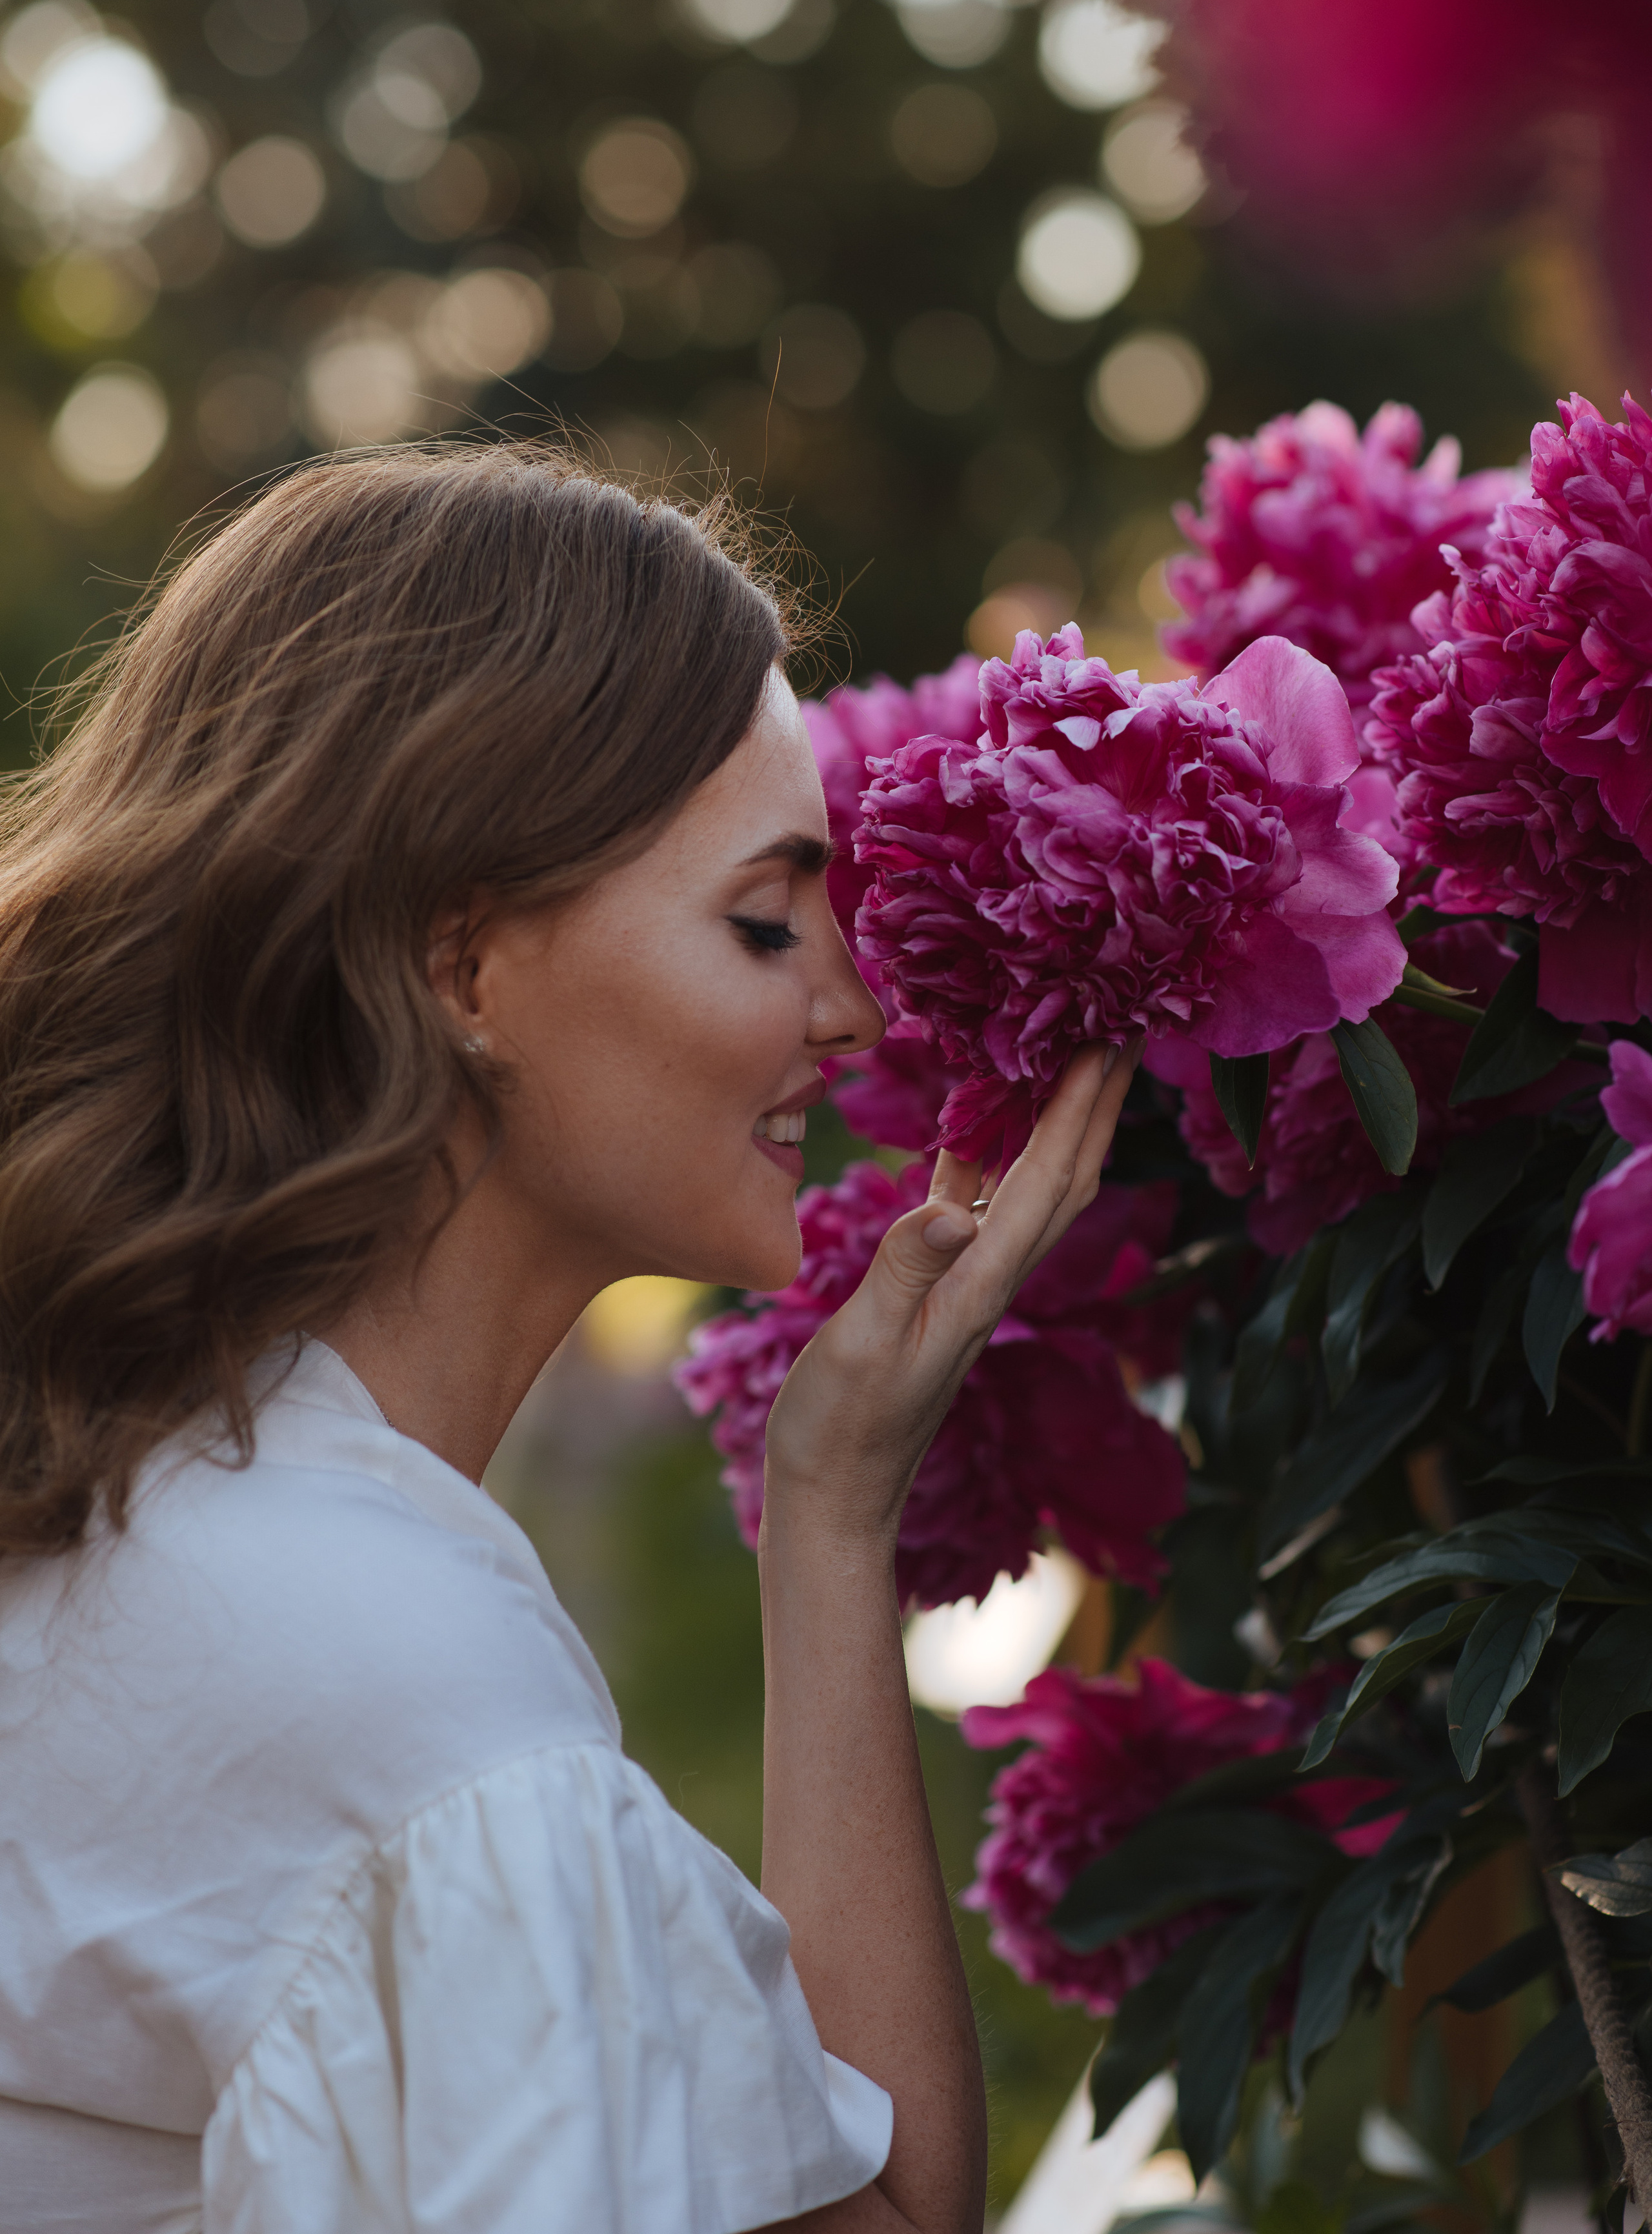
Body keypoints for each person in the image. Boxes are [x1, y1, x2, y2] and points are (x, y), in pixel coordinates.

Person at [0, 447, 1139, 2234]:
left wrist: (831, 1494)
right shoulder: (403, 1691)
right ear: (462, 972)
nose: (848, 1004)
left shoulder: (150, 1498)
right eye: (765, 918)